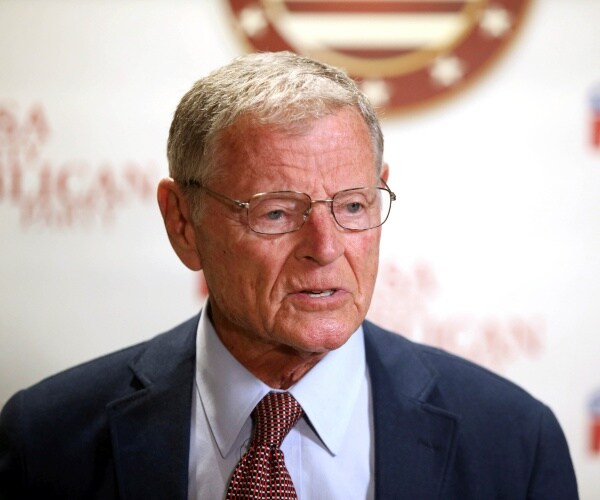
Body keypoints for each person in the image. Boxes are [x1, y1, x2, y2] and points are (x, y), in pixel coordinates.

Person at [0, 51, 578, 499]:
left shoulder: (514, 442)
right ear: (183, 223)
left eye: (353, 206)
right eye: (276, 213)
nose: (325, 249)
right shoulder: (44, 440)